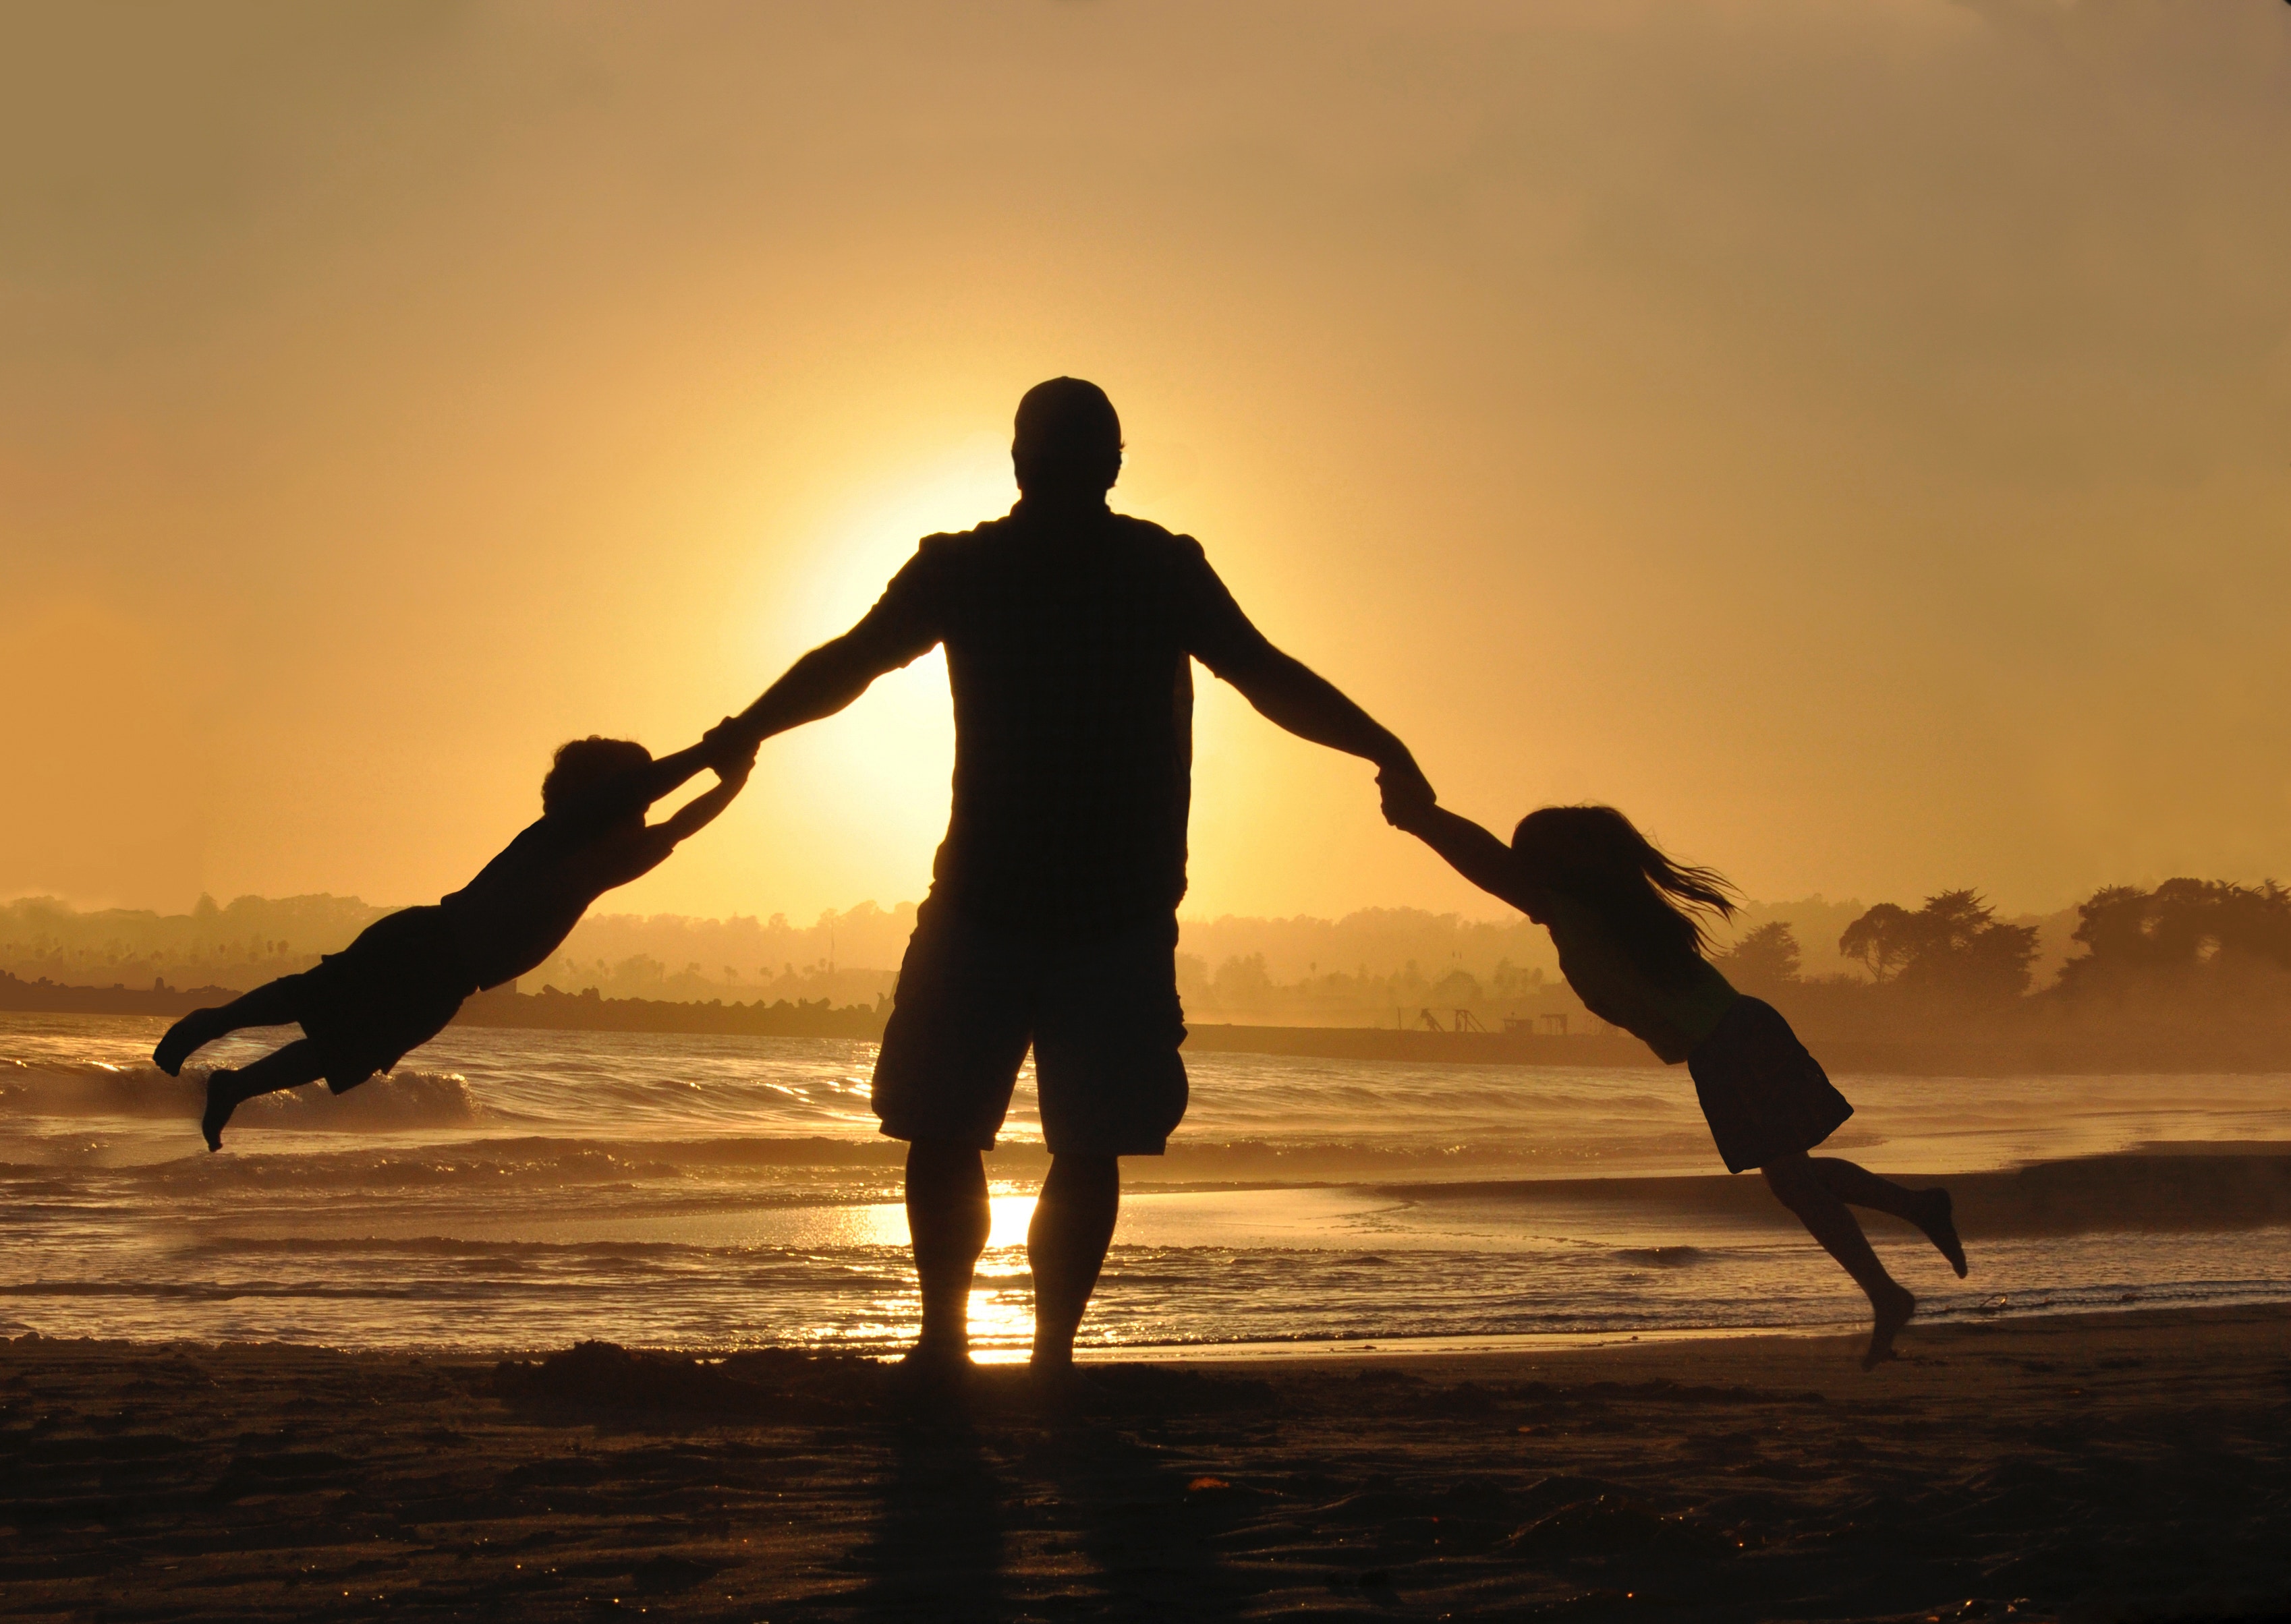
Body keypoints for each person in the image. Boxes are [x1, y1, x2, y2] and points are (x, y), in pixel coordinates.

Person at [701, 377, 1430, 1384]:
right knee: (1077, 1144)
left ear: (1018, 462)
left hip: (1002, 905)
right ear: (1114, 464)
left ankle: (950, 1344)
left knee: (949, 1128)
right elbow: (1266, 676)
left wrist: (746, 731)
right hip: (1106, 911)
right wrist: (1382, 745)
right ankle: (1045, 1355)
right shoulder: (1152, 571)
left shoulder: (978, 569)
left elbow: (849, 664)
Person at [1394, 799, 1966, 1368]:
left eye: (1528, 861)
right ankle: (1916, 1211)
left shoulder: (1578, 911)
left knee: (1792, 1179)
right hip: (1736, 1035)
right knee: (1794, 1175)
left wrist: (1422, 817)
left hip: (1730, 1041)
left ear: (1552, 868)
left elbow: (1485, 863)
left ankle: (1889, 1291)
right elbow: (1497, 866)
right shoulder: (1612, 911)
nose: (1519, 878)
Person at [154, 738, 752, 1150]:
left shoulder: (608, 864)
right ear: (602, 798)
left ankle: (233, 1086)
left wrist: (733, 778)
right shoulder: (558, 835)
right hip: (427, 941)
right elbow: (636, 795)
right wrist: (709, 755)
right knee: (317, 995)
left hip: (451, 982)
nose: (646, 813)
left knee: (348, 1053)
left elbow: (680, 826)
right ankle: (213, 1022)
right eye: (636, 802)